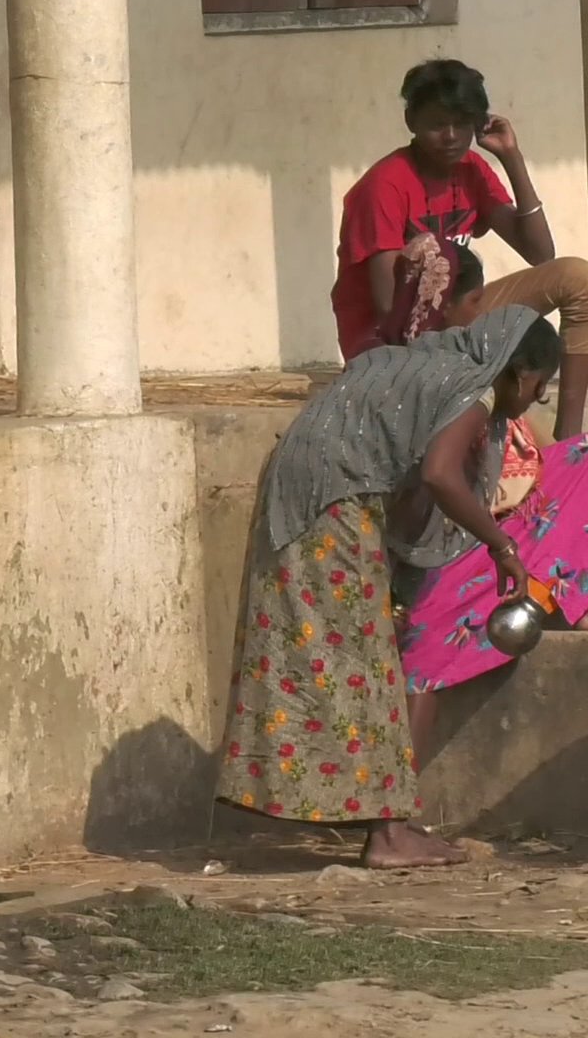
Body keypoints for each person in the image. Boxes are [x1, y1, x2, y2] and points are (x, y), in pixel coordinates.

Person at [216, 307, 563, 869]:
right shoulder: (472, 391)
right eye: (539, 390)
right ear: (521, 374)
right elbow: (439, 475)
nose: (531, 402)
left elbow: (402, 467)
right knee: (369, 664)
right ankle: (390, 835)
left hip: (302, 492)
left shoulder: (427, 367)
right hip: (332, 505)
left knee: (331, 657)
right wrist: (502, 546)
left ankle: (381, 820)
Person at [332, 58, 588, 441]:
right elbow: (390, 308)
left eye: (462, 124)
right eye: (437, 124)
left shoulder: (471, 169)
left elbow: (541, 253)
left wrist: (512, 158)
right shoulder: (384, 186)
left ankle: (570, 438)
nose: (451, 136)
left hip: (458, 323)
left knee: (578, 278)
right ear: (411, 121)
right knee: (517, 421)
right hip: (391, 345)